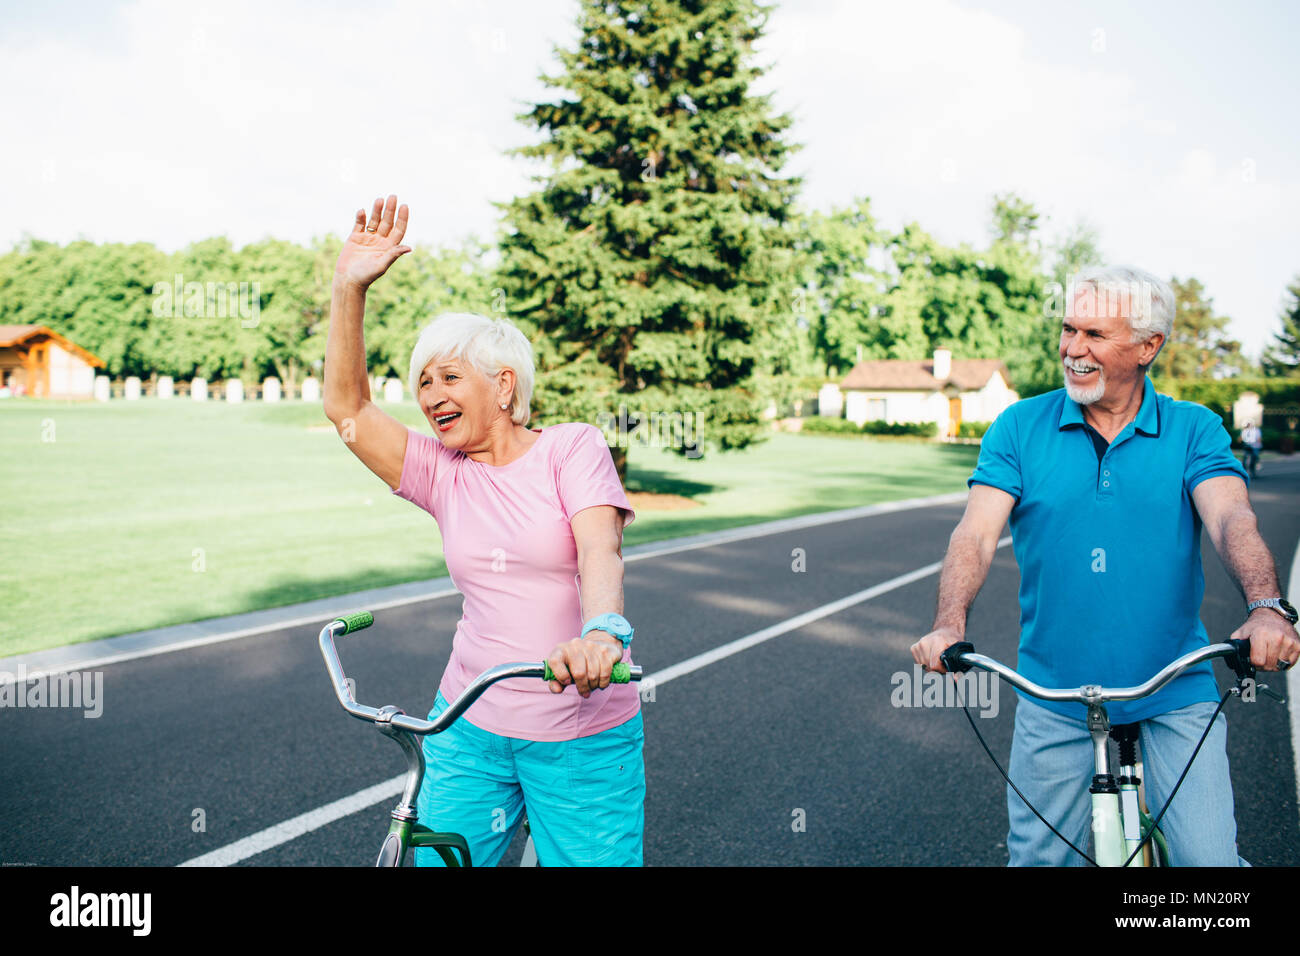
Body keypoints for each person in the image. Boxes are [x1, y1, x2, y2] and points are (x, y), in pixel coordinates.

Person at [910, 265, 1300, 866]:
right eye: (1068, 329)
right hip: (1053, 692)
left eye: (1094, 333)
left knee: (1211, 868)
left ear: (1149, 347)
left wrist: (1266, 607)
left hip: (1175, 688)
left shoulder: (1193, 428)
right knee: (1038, 861)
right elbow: (977, 534)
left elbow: (1231, 521)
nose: (1073, 348)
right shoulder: (1019, 426)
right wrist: (949, 622)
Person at [323, 195, 644, 866]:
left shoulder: (570, 448)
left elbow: (599, 548)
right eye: (422, 381)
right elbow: (346, 406)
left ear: (503, 386)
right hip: (467, 725)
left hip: (578, 731)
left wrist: (602, 633)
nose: (431, 393)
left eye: (448, 376)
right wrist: (347, 287)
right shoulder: (441, 471)